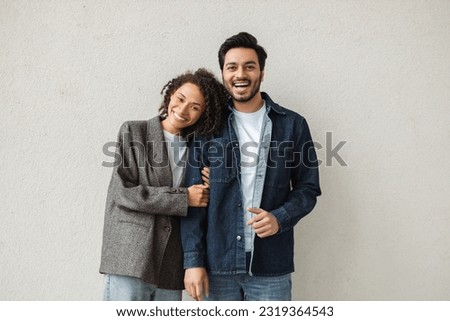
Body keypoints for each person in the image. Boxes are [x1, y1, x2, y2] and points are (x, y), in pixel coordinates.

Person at [181, 32, 321, 301]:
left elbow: (308, 187)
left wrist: (280, 217)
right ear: (223, 73)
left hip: (270, 266)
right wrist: (193, 261)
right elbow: (193, 198)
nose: (240, 74)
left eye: (249, 66)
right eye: (231, 67)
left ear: (262, 73)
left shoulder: (292, 124)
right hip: (216, 264)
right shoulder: (208, 127)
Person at [99, 68, 227, 301]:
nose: (184, 109)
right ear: (170, 95)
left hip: (170, 262)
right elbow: (123, 192)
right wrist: (183, 198)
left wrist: (212, 183)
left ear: (203, 114)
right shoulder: (134, 131)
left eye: (195, 107)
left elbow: (201, 200)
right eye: (181, 98)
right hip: (131, 257)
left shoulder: (196, 148)